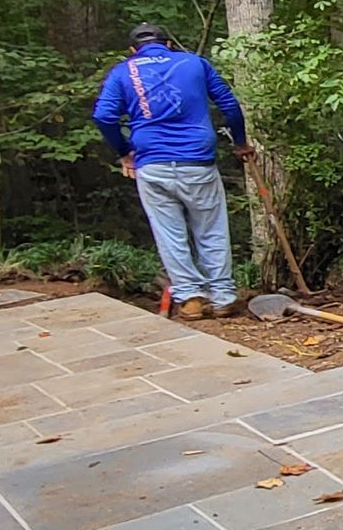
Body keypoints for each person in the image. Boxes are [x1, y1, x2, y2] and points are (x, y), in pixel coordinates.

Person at [92, 22, 255, 319]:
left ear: (132, 50)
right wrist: (240, 143)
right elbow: (230, 105)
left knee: (170, 234)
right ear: (168, 44)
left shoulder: (122, 72)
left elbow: (103, 116)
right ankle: (222, 297)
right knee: (211, 229)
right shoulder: (195, 63)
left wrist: (124, 152)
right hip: (198, 160)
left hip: (153, 163)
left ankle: (191, 298)